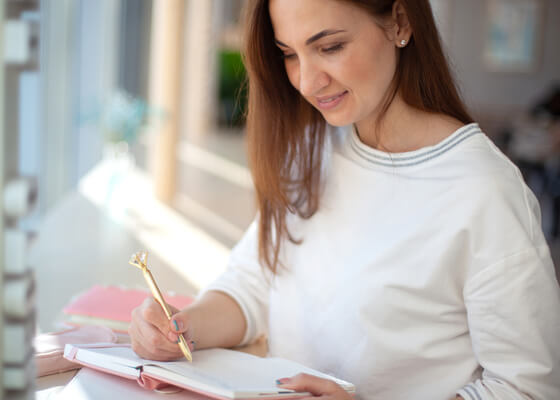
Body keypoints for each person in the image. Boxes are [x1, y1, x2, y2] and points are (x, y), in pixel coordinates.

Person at [129, 0, 560, 398]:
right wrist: (180, 329)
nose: (306, 81)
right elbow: (254, 284)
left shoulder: (484, 191)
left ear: (400, 22)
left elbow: (524, 388)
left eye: (330, 47)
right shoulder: (311, 147)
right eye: (289, 54)